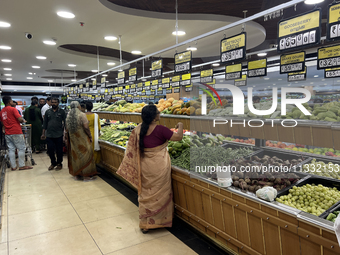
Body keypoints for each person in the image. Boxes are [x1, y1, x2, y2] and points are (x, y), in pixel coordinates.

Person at [116, 104, 183, 234]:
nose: (160, 114)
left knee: (146, 194)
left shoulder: (137, 130)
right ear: (154, 117)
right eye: (158, 113)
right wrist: (180, 125)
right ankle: (161, 221)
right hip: (159, 167)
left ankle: (146, 224)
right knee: (161, 193)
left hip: (144, 166)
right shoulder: (160, 129)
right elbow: (178, 137)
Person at [66, 101, 97, 181]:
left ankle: (77, 174)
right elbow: (86, 127)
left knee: (76, 155)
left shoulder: (69, 115)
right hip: (82, 138)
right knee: (86, 154)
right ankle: (86, 175)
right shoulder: (82, 115)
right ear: (78, 106)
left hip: (73, 139)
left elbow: (66, 128)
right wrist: (90, 136)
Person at [0, 96, 33, 170]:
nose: (12, 102)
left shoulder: (2, 111)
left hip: (8, 132)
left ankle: (13, 166)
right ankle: (21, 165)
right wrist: (23, 120)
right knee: (21, 148)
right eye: (11, 101)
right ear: (9, 102)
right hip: (16, 131)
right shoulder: (13, 109)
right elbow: (20, 119)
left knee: (11, 149)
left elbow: (2, 122)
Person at [41, 97, 66, 170]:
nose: (53, 103)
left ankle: (59, 163)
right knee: (50, 150)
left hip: (59, 134)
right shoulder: (48, 112)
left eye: (55, 102)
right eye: (52, 102)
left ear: (58, 103)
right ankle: (53, 163)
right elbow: (45, 123)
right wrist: (43, 133)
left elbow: (65, 122)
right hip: (49, 134)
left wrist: (65, 134)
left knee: (59, 150)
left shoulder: (62, 112)